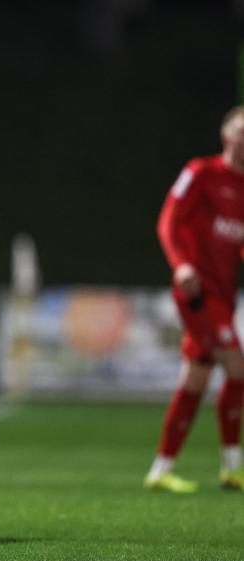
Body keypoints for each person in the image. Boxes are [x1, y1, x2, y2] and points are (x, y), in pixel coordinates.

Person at [148, 106, 244, 493]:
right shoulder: (200, 172)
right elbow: (167, 220)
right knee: (237, 366)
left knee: (196, 376)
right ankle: (232, 468)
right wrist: (181, 264)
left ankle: (160, 470)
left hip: (224, 294)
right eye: (242, 131)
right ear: (226, 136)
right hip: (197, 290)